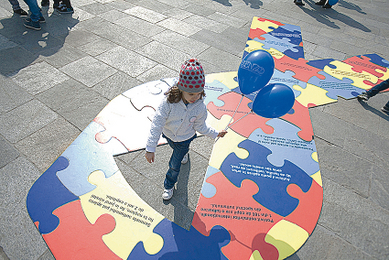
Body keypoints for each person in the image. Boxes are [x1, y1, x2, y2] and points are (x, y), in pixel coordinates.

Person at [145, 58, 227, 200]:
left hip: (185, 139)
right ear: (181, 89)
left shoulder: (200, 107)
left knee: (174, 165)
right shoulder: (169, 102)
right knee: (173, 146)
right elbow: (157, 123)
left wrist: (215, 133)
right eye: (191, 94)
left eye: (199, 93)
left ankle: (169, 185)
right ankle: (183, 154)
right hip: (169, 135)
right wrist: (150, 148)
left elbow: (200, 126)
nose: (195, 97)